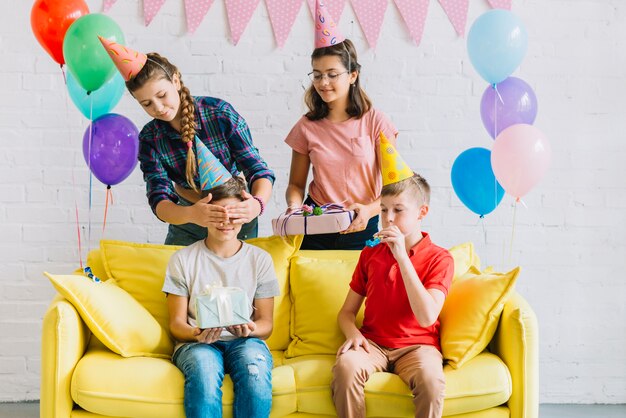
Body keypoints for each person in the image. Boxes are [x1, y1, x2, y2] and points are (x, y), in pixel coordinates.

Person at [99, 37, 274, 245]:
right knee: (178, 274)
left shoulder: (219, 114)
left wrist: (256, 204)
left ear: (175, 81)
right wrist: (191, 215)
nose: (158, 107)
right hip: (188, 219)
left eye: (162, 95)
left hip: (235, 214)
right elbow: (159, 199)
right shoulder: (150, 139)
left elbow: (258, 170)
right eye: (147, 103)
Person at [332, 156, 454, 418]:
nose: (388, 218)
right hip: (372, 344)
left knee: (431, 382)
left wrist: (401, 255)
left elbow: (427, 316)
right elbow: (346, 313)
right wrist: (353, 334)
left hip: (418, 346)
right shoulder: (370, 254)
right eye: (384, 209)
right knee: (345, 367)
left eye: (398, 210)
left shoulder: (440, 258)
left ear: (422, 212)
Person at [162, 151, 279, 417]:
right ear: (205, 215)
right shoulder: (183, 259)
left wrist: (249, 329)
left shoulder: (259, 260)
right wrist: (197, 333)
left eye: (234, 214)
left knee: (255, 373)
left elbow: (267, 325)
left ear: (245, 216)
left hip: (245, 342)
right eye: (218, 214)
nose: (226, 222)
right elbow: (176, 324)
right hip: (197, 343)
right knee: (203, 374)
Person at [284, 0, 398, 250]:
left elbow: (396, 188)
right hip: (314, 227)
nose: (323, 82)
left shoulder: (376, 122)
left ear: (353, 75)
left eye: (332, 74)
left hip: (362, 226)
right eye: (317, 74)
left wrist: (368, 211)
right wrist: (293, 209)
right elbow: (295, 185)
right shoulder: (306, 126)